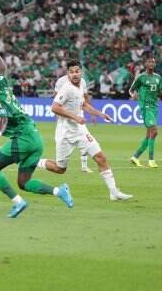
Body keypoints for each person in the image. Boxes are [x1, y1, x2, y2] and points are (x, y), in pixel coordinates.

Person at [0, 37, 73, 218]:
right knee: (24, 182)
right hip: (36, 139)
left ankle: (18, 202)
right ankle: (60, 191)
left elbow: (4, 118)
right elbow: (2, 66)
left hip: (24, 139)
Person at [37, 61, 132, 201]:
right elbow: (55, 107)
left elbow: (83, 105)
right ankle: (35, 162)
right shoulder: (66, 88)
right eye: (71, 72)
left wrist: (99, 114)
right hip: (65, 133)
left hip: (80, 130)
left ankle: (114, 192)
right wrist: (75, 117)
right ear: (68, 74)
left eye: (77, 71)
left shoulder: (81, 84)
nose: (75, 74)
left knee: (101, 158)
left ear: (81, 72)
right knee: (60, 169)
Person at [54, 73, 92, 173]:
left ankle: (84, 166)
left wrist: (91, 111)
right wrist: (58, 113)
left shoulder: (82, 81)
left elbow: (85, 96)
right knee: (61, 166)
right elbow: (56, 99)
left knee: (86, 142)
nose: (75, 73)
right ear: (68, 71)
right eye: (72, 70)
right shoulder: (61, 81)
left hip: (79, 115)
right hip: (66, 119)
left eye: (77, 70)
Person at [129, 55, 161, 168]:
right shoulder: (141, 77)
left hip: (154, 107)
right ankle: (151, 160)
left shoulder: (158, 77)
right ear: (145, 64)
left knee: (149, 134)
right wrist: (134, 95)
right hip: (145, 107)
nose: (151, 64)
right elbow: (131, 89)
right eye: (149, 62)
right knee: (154, 131)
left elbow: (160, 92)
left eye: (153, 62)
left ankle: (135, 157)